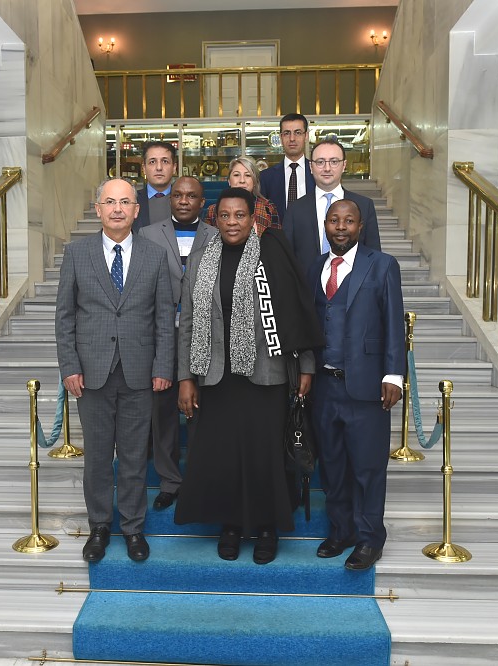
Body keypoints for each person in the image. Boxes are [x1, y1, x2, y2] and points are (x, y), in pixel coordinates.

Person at [175, 187, 324, 565]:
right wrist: (186, 377)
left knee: (264, 456)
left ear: (252, 217)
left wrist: (306, 365)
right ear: (215, 220)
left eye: (239, 215)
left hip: (266, 375)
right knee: (223, 455)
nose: (231, 222)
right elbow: (189, 320)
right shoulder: (201, 259)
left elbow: (294, 312)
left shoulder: (271, 254)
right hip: (215, 376)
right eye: (224, 215)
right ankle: (231, 524)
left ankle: (266, 527)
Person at [56, 178, 175, 563]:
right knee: (97, 458)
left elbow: (162, 319)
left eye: (126, 202)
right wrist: (70, 366)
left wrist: (163, 366)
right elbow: (65, 317)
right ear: (98, 209)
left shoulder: (154, 255)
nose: (118, 209)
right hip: (91, 374)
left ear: (137, 210)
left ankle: (133, 528)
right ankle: (99, 526)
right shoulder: (76, 253)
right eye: (110, 202)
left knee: (135, 455)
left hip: (141, 373)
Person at [307, 198, 404, 571]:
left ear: (361, 227)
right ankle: (341, 529)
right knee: (332, 465)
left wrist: (393, 375)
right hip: (324, 386)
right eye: (334, 220)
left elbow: (394, 321)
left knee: (367, 468)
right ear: (326, 225)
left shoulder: (381, 266)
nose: (341, 227)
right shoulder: (315, 266)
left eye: (349, 221)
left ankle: (369, 538)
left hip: (366, 387)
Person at [139, 177, 219, 509]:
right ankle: (170, 481)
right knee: (163, 412)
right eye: (178, 195)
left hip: (204, 336)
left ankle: (202, 478)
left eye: (192, 196)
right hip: (161, 336)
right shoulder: (148, 234)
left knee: (204, 410)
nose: (184, 201)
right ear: (170, 199)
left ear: (203, 203)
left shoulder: (217, 236)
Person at [282, 137, 381, 275]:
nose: (327, 168)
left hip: (353, 291)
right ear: (311, 167)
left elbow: (374, 255)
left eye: (334, 162)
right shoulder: (295, 209)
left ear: (344, 165)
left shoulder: (364, 205)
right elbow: (286, 257)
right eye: (320, 162)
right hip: (308, 290)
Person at [204, 156, 280, 235]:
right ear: (229, 180)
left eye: (248, 175)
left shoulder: (268, 207)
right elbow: (207, 242)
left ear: (255, 181)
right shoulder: (213, 210)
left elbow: (276, 242)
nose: (242, 180)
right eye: (236, 175)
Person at [259, 113, 315, 216]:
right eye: (287, 133)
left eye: (297, 133)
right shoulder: (266, 177)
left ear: (306, 136)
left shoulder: (317, 173)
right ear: (281, 137)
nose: (292, 138)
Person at [133, 140, 178, 232]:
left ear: (174, 168)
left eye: (165, 161)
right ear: (144, 169)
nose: (159, 168)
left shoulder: (186, 201)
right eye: (152, 162)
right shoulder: (132, 200)